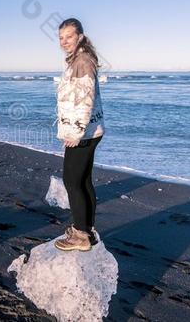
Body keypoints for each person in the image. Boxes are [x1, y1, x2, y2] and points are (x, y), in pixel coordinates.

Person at [53, 18, 106, 252]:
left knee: (72, 181)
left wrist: (76, 132)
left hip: (82, 133)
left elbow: (85, 98)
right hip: (90, 131)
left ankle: (81, 235)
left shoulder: (82, 60)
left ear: (80, 37)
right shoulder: (79, 59)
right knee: (83, 181)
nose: (64, 41)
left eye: (69, 37)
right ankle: (87, 229)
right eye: (61, 37)